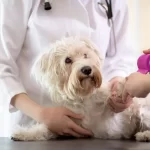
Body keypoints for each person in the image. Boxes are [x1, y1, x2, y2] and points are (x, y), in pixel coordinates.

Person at [0, 0, 136, 137]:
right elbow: (2, 63)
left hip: (98, 124)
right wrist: (40, 113)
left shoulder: (115, 3)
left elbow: (120, 58)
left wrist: (119, 85)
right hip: (33, 122)